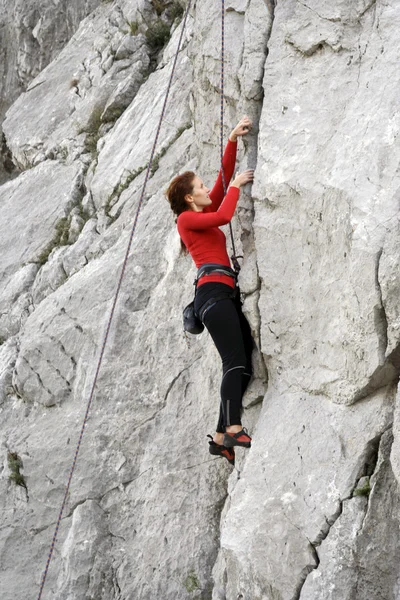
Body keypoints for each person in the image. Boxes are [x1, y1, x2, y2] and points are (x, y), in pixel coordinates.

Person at [166, 116, 254, 466]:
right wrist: (235, 187)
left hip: (221, 295)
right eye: (199, 187)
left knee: (242, 359)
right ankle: (232, 426)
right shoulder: (185, 220)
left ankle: (220, 438)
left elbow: (220, 181)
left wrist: (232, 139)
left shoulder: (200, 210)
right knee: (234, 362)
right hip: (212, 295)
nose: (207, 189)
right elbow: (224, 215)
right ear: (189, 197)